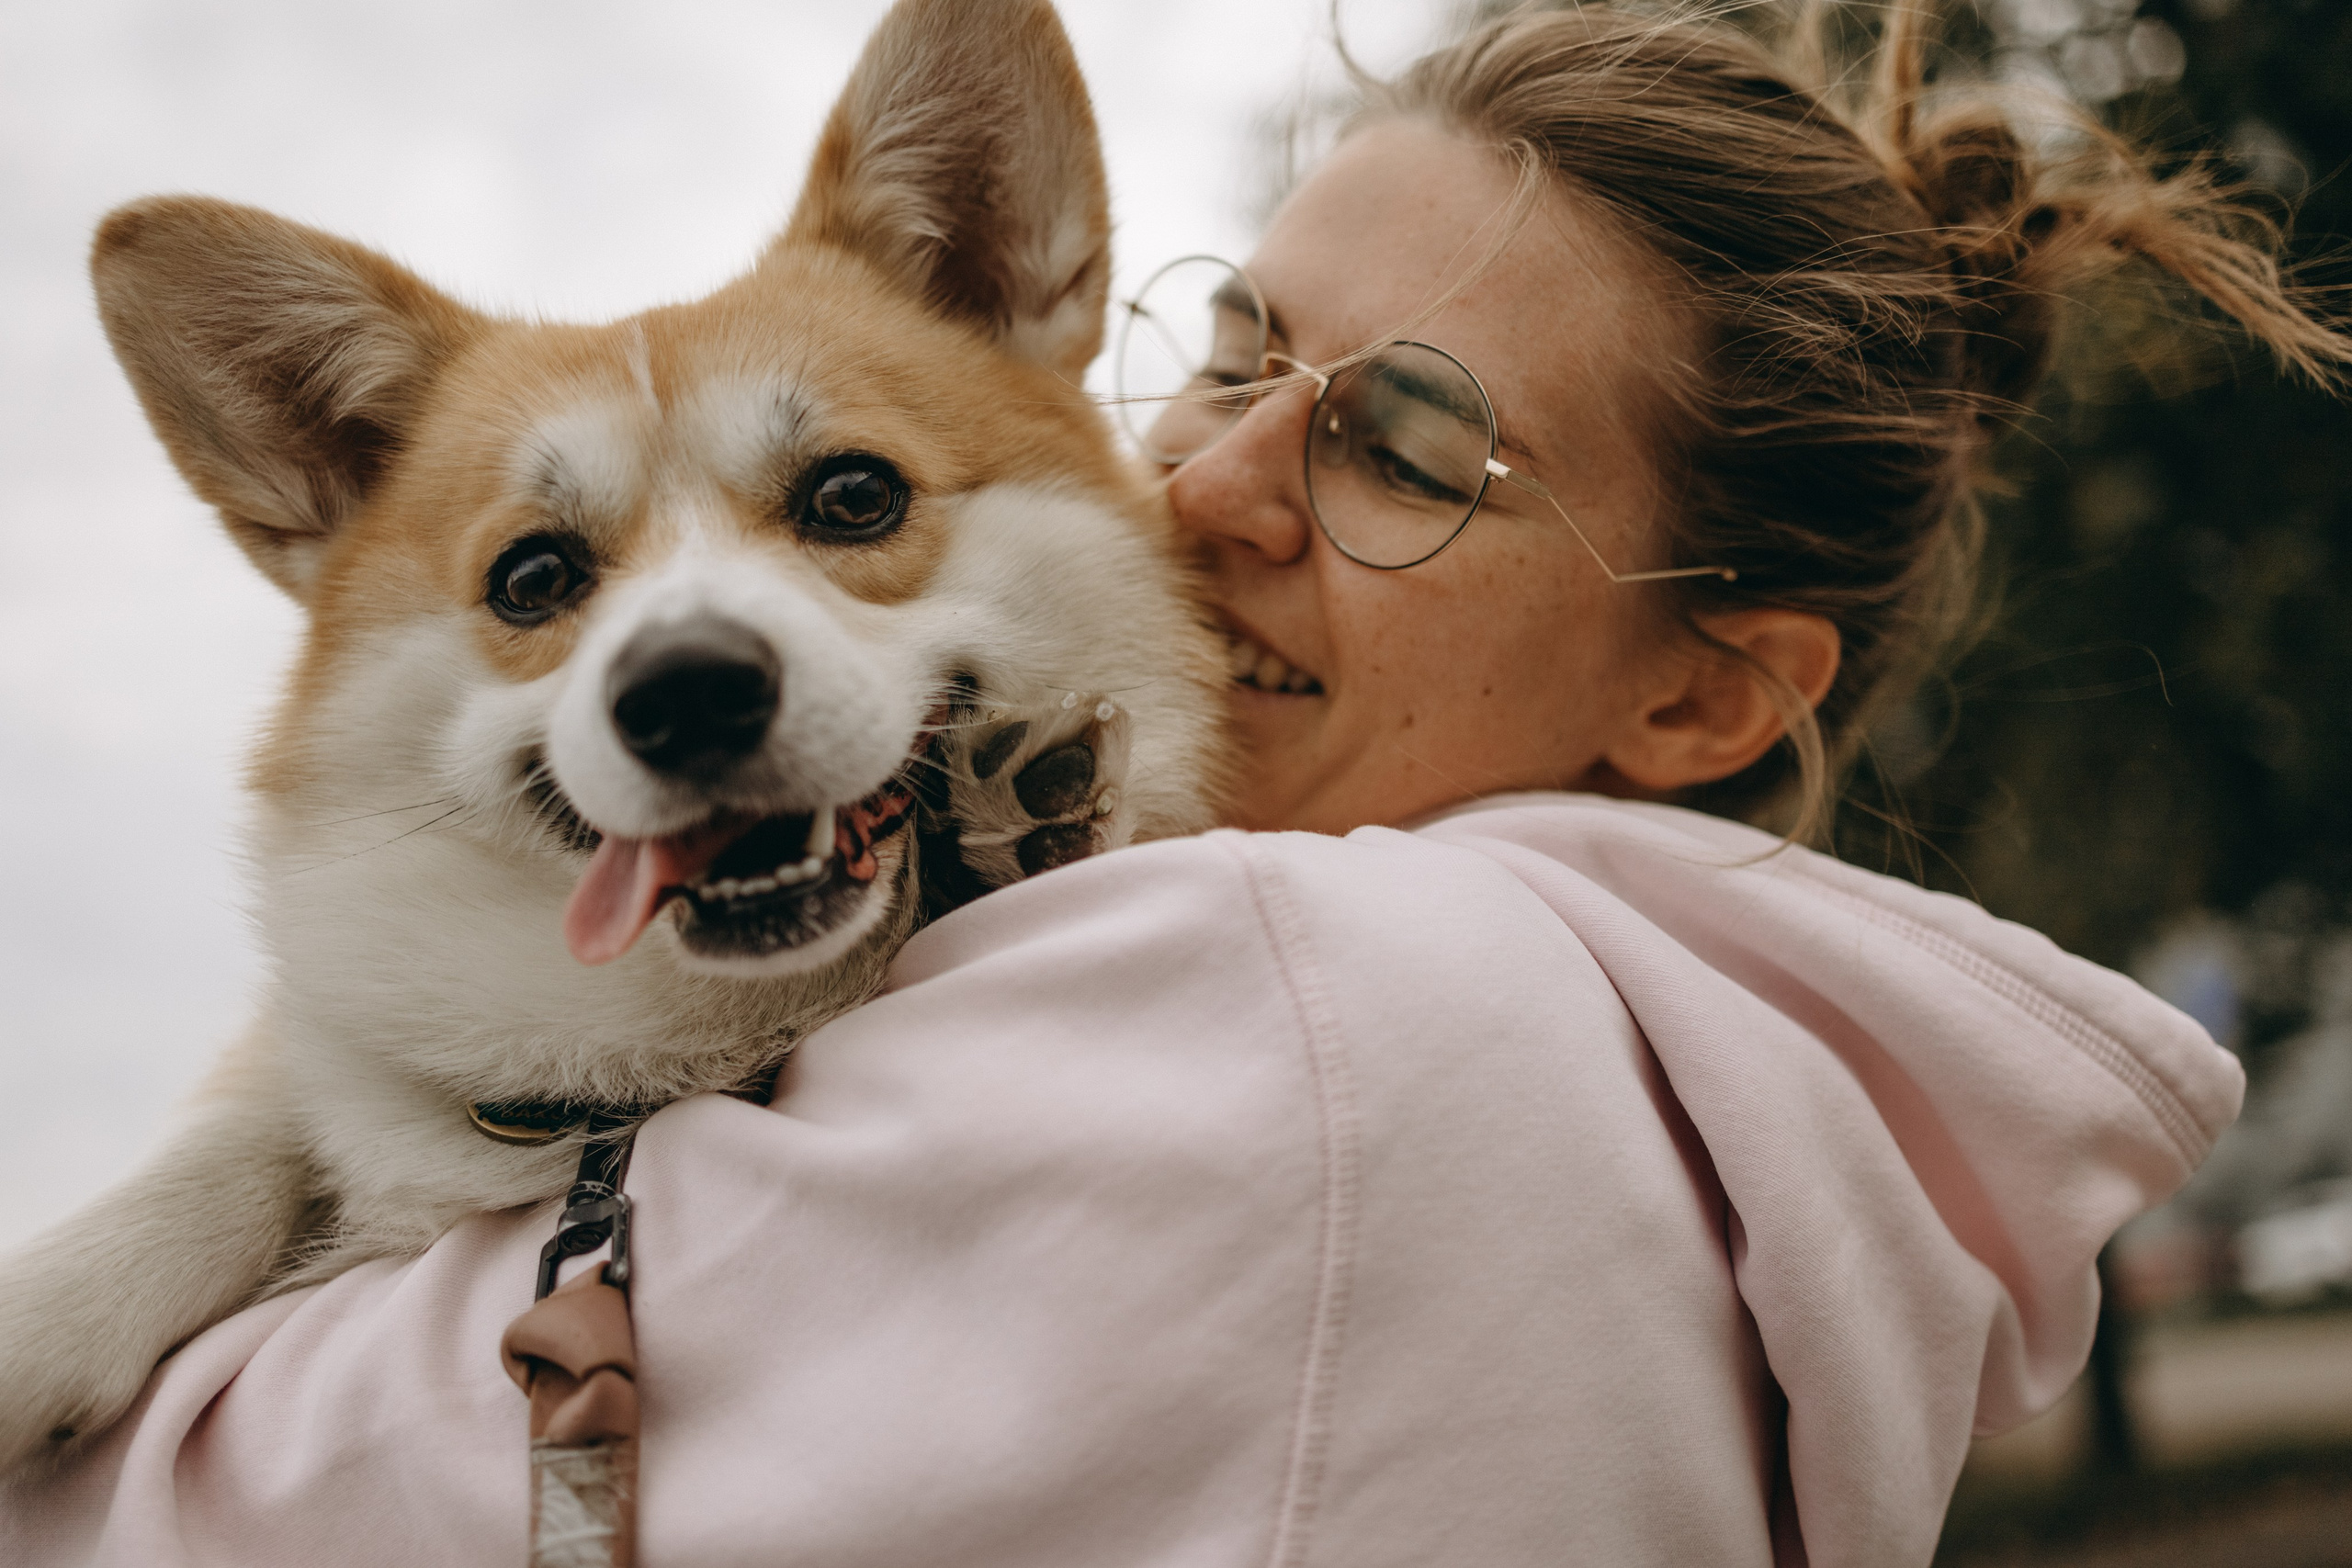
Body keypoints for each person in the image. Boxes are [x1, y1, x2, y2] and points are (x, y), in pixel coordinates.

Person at [4, 5, 2337, 1564]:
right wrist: (231, 1167)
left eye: (1402, 449)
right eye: (1231, 351)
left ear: (1705, 697)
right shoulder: (1663, 1105)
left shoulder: (1313, 1025)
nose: (1197, 484)